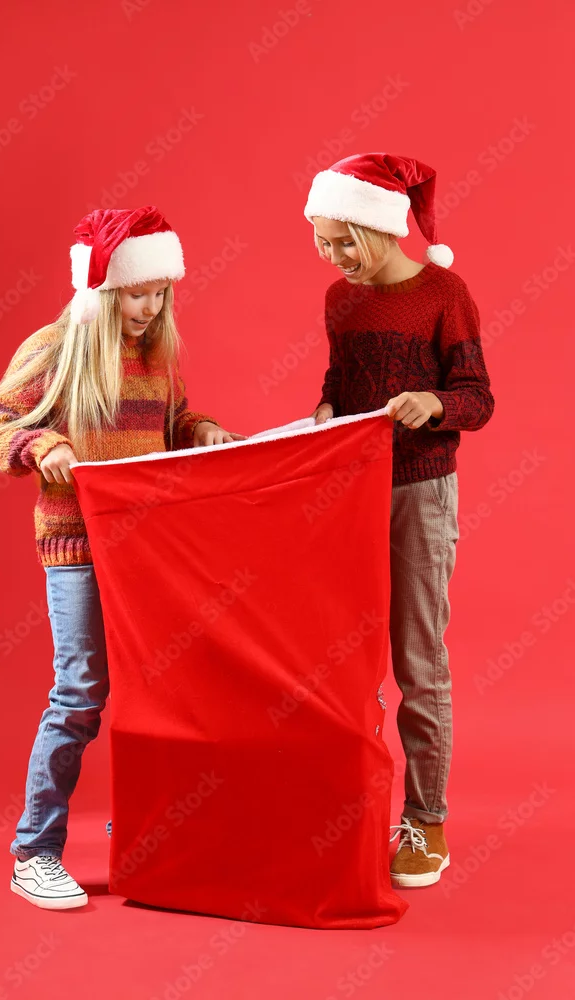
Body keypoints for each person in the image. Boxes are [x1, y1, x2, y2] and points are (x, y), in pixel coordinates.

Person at [0, 206, 243, 909]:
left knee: (156, 694)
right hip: (78, 547)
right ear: (101, 290)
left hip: (147, 546)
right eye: (135, 294)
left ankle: (146, 839)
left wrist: (203, 430)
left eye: (159, 294)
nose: (149, 309)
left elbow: (173, 423)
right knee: (80, 694)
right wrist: (42, 445)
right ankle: (34, 852)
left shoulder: (155, 358)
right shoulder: (55, 348)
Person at [303, 153, 494, 887]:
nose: (332, 257)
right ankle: (352, 808)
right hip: (348, 492)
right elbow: (338, 379)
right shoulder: (339, 301)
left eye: (342, 242)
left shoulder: (444, 294)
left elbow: (477, 396)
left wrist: (434, 403)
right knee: (346, 662)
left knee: (417, 658)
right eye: (321, 243)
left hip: (419, 491)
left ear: (379, 227)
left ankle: (425, 819)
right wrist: (327, 407)